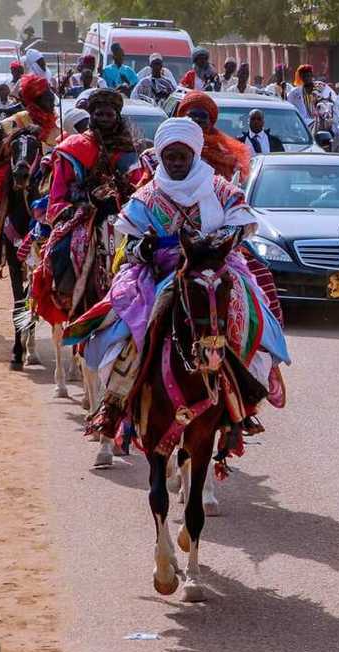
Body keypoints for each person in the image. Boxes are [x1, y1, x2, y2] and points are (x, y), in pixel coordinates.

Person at [66, 116, 288, 439]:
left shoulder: (220, 189)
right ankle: (116, 402)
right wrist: (145, 248)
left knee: (248, 316)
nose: (175, 163)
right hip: (161, 272)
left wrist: (219, 241)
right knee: (130, 328)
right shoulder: (147, 197)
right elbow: (127, 245)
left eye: (181, 157)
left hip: (216, 266)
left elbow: (243, 225)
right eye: (169, 157)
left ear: (194, 155)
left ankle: (243, 402)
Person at [34, 89, 142, 327]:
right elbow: (59, 192)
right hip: (83, 213)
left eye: (109, 114)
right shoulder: (73, 147)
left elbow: (139, 184)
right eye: (99, 114)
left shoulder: (128, 150)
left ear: (117, 117)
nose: (105, 118)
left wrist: (124, 193)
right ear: (92, 116)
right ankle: (66, 297)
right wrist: (82, 203)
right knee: (62, 250)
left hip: (124, 213)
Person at [0, 74, 58, 369]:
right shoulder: (17, 120)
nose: (51, 100)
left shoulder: (54, 125)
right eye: (46, 97)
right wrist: (10, 140)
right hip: (16, 180)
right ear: (34, 100)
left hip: (47, 186)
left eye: (50, 96)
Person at [175, 91, 253, 182]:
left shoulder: (224, 152)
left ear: (210, 122)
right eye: (192, 115)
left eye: (202, 116)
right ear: (182, 117)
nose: (197, 120)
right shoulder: (170, 144)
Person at [287, 64, 334, 130]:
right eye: (304, 76)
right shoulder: (294, 93)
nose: (306, 78)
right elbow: (290, 108)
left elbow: (332, 101)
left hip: (323, 121)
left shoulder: (322, 87)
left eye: (308, 76)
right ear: (301, 77)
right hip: (304, 124)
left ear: (312, 75)